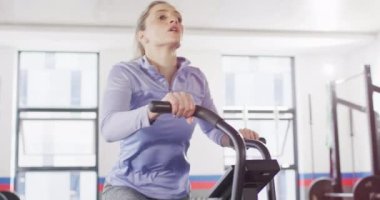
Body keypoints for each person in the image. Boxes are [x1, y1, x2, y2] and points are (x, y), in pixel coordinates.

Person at [100, 1, 260, 200]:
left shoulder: (195, 78)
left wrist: (235, 136)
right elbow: (109, 129)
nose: (174, 20)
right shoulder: (125, 73)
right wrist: (153, 110)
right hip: (128, 187)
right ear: (142, 36)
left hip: (177, 191)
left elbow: (212, 129)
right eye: (161, 17)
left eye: (178, 18)